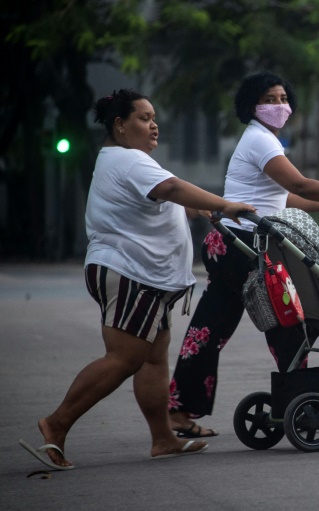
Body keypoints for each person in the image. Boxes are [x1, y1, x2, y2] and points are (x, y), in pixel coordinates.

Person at [19, 89, 255, 471]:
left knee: (153, 359)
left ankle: (163, 439)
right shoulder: (127, 160)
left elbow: (172, 198)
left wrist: (204, 208)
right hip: (131, 272)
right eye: (144, 118)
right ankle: (56, 423)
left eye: (154, 117)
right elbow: (172, 188)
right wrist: (222, 203)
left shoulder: (131, 162)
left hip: (147, 276)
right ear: (119, 125)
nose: (153, 124)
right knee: (124, 358)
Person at [168, 71, 319, 437]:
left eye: (283, 98)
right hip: (246, 248)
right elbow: (298, 182)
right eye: (270, 99)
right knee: (289, 323)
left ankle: (180, 411)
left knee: (209, 330)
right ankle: (300, 398)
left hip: (231, 245)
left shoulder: (263, 141)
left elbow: (286, 199)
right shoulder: (260, 140)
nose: (279, 106)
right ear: (252, 106)